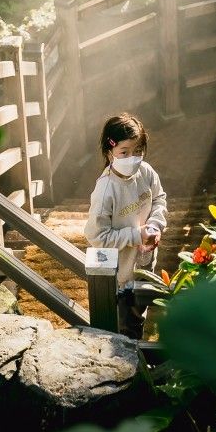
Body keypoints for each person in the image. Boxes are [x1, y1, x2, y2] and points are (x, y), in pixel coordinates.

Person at [84, 113, 167, 339]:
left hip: (144, 261)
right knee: (126, 328)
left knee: (140, 313)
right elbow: (97, 235)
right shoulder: (106, 190)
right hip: (120, 275)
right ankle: (133, 366)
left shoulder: (146, 172)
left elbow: (159, 198)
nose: (133, 157)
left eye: (138, 151)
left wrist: (155, 224)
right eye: (124, 152)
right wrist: (136, 236)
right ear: (109, 152)